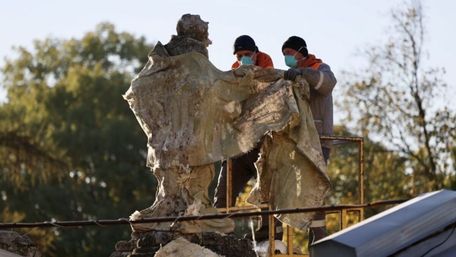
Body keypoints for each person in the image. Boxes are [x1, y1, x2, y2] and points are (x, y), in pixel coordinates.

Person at [214, 35, 281, 241]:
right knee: (223, 193)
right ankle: (220, 234)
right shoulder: (234, 72)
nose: (243, 59)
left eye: (247, 55)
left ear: (255, 53)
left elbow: (265, 89)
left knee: (267, 191)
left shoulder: (267, 66)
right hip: (237, 146)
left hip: (261, 145)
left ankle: (270, 233)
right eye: (240, 55)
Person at [281, 36, 337, 244]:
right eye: (284, 54)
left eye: (289, 53)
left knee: (313, 187)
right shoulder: (291, 75)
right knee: (296, 189)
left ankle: (319, 237)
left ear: (300, 52)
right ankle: (309, 236)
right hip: (298, 141)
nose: (287, 58)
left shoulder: (320, 68)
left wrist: (303, 73)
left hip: (318, 141)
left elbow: (327, 84)